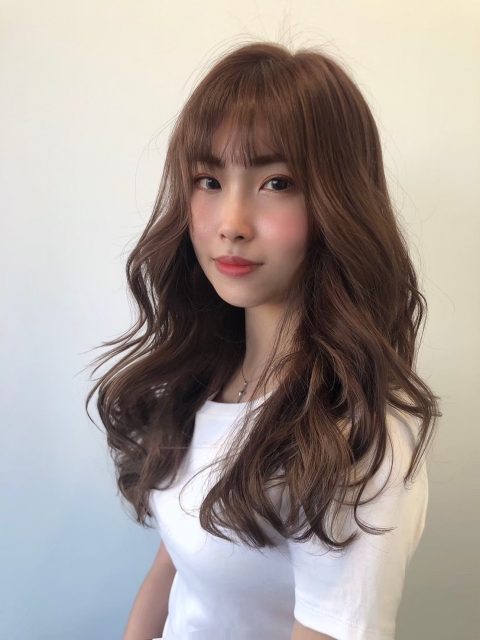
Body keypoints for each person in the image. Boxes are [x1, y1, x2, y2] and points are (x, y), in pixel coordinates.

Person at [85, 39, 442, 640]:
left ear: (339, 201)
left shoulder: (358, 438)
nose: (231, 223)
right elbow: (172, 572)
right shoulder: (204, 378)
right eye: (208, 180)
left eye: (276, 183)